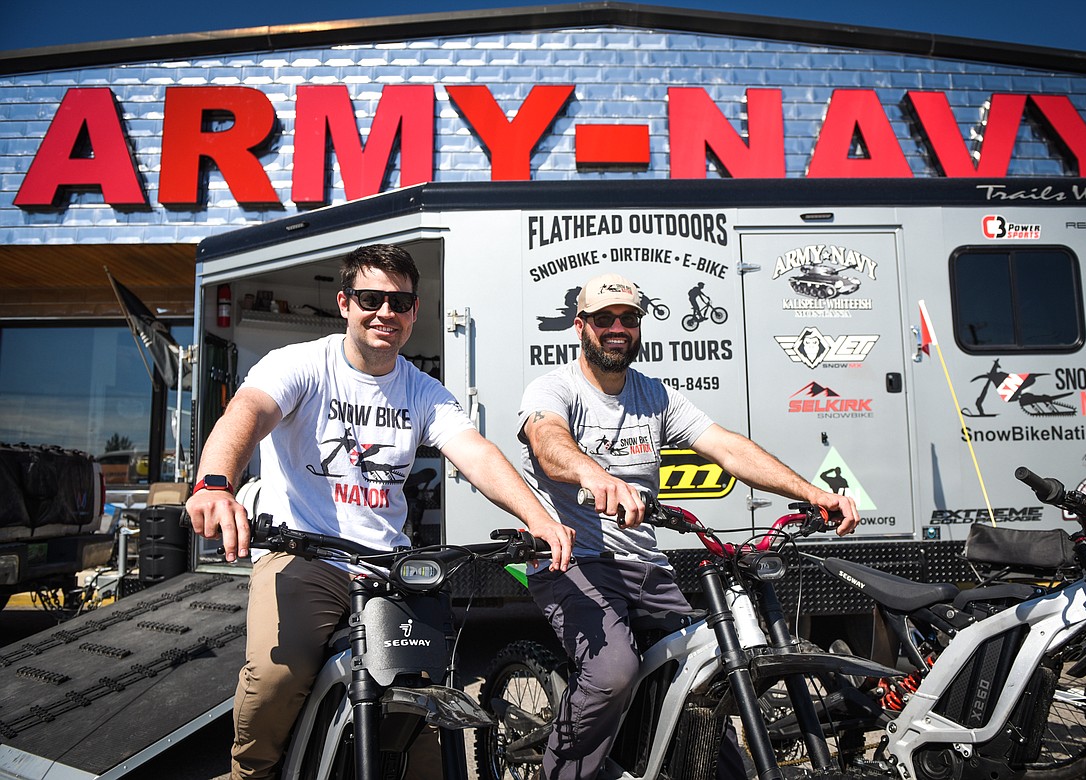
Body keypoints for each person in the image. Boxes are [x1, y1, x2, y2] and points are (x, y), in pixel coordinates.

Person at [185, 244, 574, 780]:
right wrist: (214, 484)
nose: (385, 313)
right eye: (371, 298)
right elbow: (245, 414)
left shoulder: (422, 390)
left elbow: (477, 453)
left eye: (400, 302)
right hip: (304, 554)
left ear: (414, 312)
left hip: (387, 568)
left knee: (425, 694)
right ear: (345, 303)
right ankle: (249, 773)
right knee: (279, 675)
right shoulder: (301, 364)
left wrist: (539, 518)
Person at [517, 272, 859, 780]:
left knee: (707, 671)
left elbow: (727, 447)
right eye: (604, 318)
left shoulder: (654, 395)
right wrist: (596, 474)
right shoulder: (555, 387)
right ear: (580, 326)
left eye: (628, 318)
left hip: (644, 564)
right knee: (613, 674)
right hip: (574, 561)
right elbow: (548, 442)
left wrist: (811, 492)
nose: (617, 327)